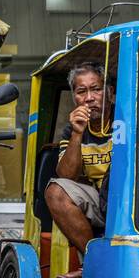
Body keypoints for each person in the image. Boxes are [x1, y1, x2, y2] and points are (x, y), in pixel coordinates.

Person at [45, 62, 114, 258]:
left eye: (96, 89)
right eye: (82, 92)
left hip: (129, 201)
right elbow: (67, 175)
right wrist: (77, 133)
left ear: (109, 92)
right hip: (99, 203)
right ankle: (94, 260)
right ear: (74, 97)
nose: (89, 98)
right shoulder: (72, 130)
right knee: (56, 192)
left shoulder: (126, 118)